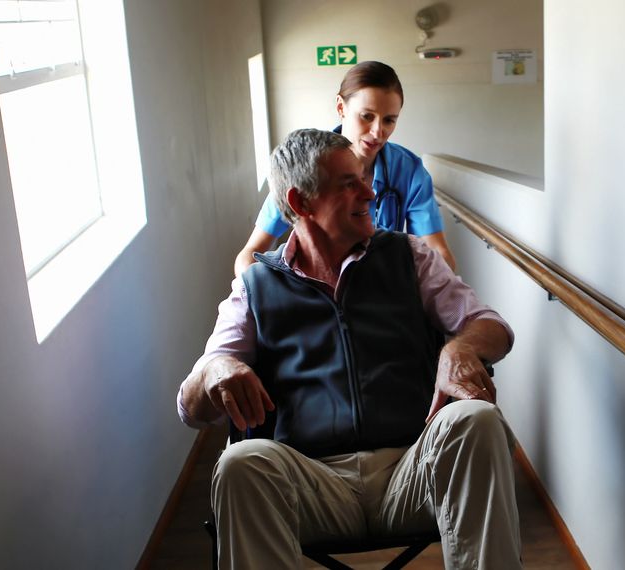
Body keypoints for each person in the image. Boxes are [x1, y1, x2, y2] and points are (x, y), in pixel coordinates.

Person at [179, 128, 522, 568]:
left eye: (364, 177)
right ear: (302, 203)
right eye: (349, 184)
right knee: (239, 463)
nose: (370, 190)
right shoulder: (255, 287)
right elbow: (191, 409)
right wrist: (215, 370)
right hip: (312, 485)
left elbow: (492, 326)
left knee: (477, 419)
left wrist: (460, 349)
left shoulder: (408, 255)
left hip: (413, 471)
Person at [233, 60, 457, 277]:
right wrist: (261, 298)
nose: (378, 132)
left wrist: (439, 294)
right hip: (320, 295)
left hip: (384, 294)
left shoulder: (408, 170)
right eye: (367, 116)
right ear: (341, 107)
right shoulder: (303, 165)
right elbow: (249, 256)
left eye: (389, 120)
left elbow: (437, 252)